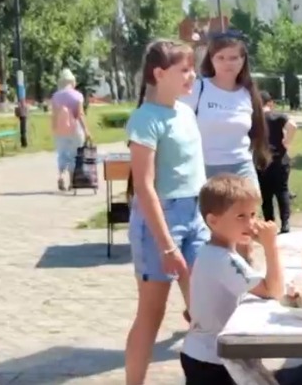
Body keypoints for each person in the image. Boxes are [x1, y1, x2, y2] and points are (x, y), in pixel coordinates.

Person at [123, 40, 209, 385]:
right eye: (183, 70)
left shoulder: (186, 112)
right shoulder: (145, 119)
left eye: (192, 68)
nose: (192, 76)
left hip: (197, 215)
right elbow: (144, 187)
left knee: (205, 310)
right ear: (159, 74)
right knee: (152, 314)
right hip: (161, 222)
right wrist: (167, 246)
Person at [180, 174, 284, 385]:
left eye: (253, 214)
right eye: (241, 217)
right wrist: (271, 246)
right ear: (213, 221)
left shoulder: (215, 251)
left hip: (203, 354)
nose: (251, 223)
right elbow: (273, 290)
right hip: (213, 360)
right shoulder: (223, 259)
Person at [182, 32, 271, 187]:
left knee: (248, 211)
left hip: (242, 168)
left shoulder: (247, 92)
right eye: (220, 58)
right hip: (203, 169)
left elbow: (257, 131)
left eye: (233, 58)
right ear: (211, 59)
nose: (227, 63)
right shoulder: (198, 88)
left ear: (243, 60)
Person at [257, 91, 297, 233]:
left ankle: (269, 224)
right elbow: (292, 125)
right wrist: (286, 142)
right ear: (270, 103)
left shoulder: (254, 119)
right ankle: (285, 223)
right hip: (280, 159)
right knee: (282, 191)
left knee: (266, 194)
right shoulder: (278, 116)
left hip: (262, 160)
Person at [51, 68, 91, 191]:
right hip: (75, 129)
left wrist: (54, 129)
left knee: (62, 154)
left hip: (60, 130)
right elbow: (80, 114)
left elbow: (54, 114)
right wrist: (86, 130)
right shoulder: (78, 95)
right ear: (72, 82)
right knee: (74, 155)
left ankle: (61, 176)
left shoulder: (55, 96)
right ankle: (72, 182)